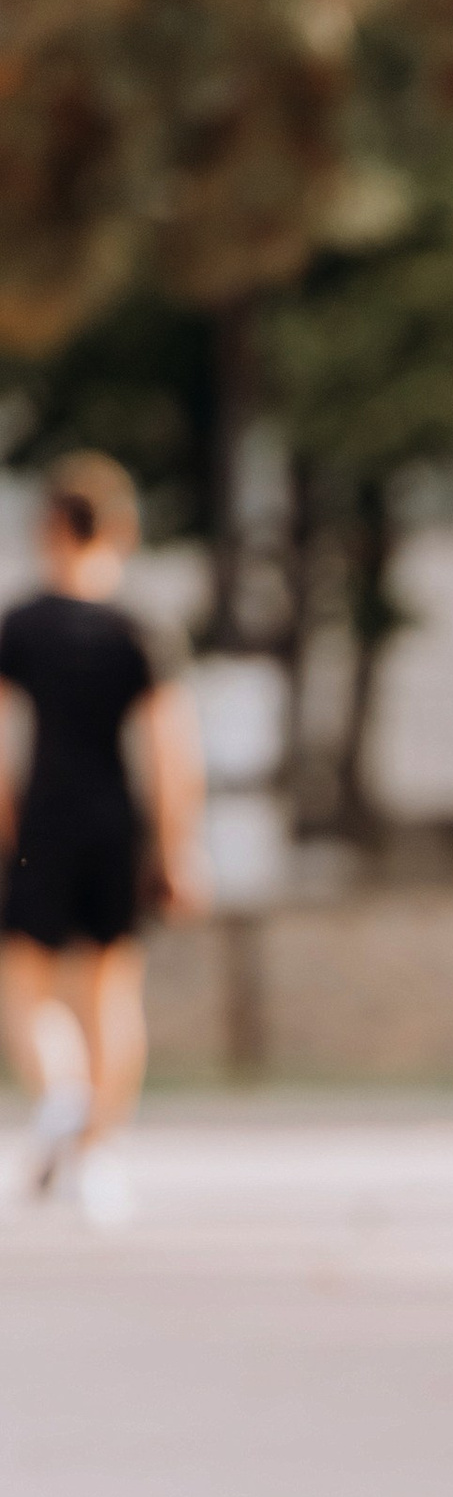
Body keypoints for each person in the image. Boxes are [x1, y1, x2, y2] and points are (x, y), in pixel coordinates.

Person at [1, 453, 207, 1225]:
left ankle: (59, 1095)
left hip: (42, 819)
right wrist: (178, 849)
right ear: (118, 531)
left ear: (51, 526)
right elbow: (170, 751)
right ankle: (98, 1154)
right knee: (112, 992)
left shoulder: (21, 625)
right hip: (115, 822)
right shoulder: (140, 628)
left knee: (26, 988)